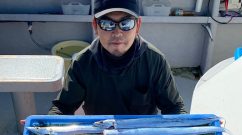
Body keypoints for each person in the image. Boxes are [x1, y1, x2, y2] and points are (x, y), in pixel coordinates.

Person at [49, 0, 186, 115]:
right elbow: (62, 108)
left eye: (126, 23)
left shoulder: (155, 61)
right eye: (107, 24)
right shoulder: (82, 62)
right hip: (100, 134)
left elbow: (174, 107)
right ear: (95, 27)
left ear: (137, 26)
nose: (117, 33)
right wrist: (43, 129)